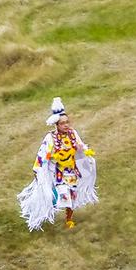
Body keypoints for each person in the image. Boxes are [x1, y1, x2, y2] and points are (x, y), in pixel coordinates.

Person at [18, 97, 98, 231]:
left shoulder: (73, 134)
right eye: (63, 123)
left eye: (67, 122)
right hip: (56, 172)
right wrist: (37, 169)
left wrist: (85, 152)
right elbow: (42, 154)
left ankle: (69, 219)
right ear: (57, 125)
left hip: (71, 171)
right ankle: (49, 207)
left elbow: (80, 145)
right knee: (58, 194)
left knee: (72, 195)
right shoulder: (50, 138)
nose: (66, 125)